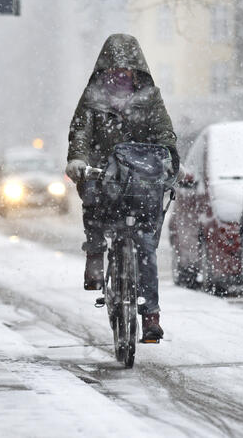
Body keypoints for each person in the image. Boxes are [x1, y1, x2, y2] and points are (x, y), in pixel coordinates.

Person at [65, 34, 179, 342]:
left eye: (127, 68)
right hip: (105, 175)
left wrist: (170, 163)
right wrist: (78, 159)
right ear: (104, 68)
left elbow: (164, 135)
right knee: (94, 202)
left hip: (140, 178)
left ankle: (151, 315)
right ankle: (94, 254)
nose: (121, 73)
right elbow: (80, 134)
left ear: (137, 70)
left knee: (144, 246)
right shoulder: (93, 98)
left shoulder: (150, 99)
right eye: (115, 67)